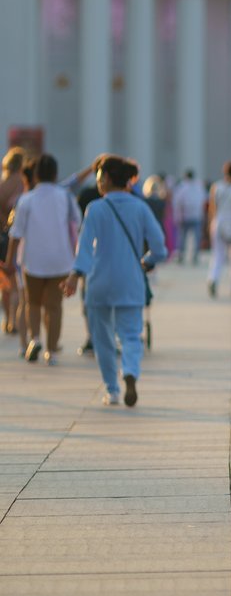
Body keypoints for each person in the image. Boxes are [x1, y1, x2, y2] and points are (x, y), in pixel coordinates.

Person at [62, 155, 167, 407]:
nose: (98, 182)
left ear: (107, 178)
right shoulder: (140, 208)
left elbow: (84, 248)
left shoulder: (96, 208)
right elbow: (160, 248)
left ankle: (112, 390)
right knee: (131, 335)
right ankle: (130, 371)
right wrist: (147, 261)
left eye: (99, 177)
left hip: (100, 283)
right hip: (130, 281)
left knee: (103, 340)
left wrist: (75, 275)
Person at [2, 154, 80, 365]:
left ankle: (35, 339)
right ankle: (51, 352)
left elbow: (16, 234)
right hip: (60, 261)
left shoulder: (26, 200)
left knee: (33, 304)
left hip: (32, 261)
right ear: (55, 174)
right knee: (54, 307)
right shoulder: (65, 197)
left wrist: (9, 262)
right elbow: (77, 221)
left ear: (35, 175)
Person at [207, 161, 231, 298]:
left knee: (218, 255)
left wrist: (210, 223)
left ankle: (213, 278)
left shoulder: (216, 186)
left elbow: (212, 208)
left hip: (218, 222)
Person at [0, 147, 27, 336]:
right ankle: (14, 322)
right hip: (16, 237)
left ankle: (7, 319)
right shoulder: (22, 183)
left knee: (5, 284)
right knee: (16, 283)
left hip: (0, 237)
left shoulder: (2, 183)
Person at [171, 169, 206, 265]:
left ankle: (181, 255)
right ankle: (195, 256)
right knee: (196, 237)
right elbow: (203, 201)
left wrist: (177, 216)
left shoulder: (182, 187)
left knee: (182, 237)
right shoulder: (199, 187)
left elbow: (177, 203)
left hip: (184, 216)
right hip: (196, 215)